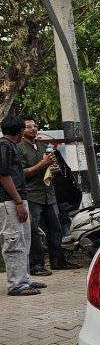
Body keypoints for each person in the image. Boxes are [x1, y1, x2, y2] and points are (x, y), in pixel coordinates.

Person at [0, 114, 44, 296]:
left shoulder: (11, 146)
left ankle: (24, 279)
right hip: (9, 201)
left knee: (24, 240)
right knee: (14, 241)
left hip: (18, 199)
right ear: (19, 131)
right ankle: (16, 285)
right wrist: (18, 201)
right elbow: (3, 176)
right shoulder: (4, 146)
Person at [19, 117, 69, 274]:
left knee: (56, 228)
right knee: (34, 231)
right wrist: (42, 164)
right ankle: (36, 265)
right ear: (22, 130)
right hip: (32, 195)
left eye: (35, 126)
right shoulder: (19, 148)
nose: (33, 128)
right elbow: (21, 173)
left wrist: (54, 169)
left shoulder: (43, 147)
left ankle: (58, 261)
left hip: (49, 194)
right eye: (29, 126)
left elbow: (51, 167)